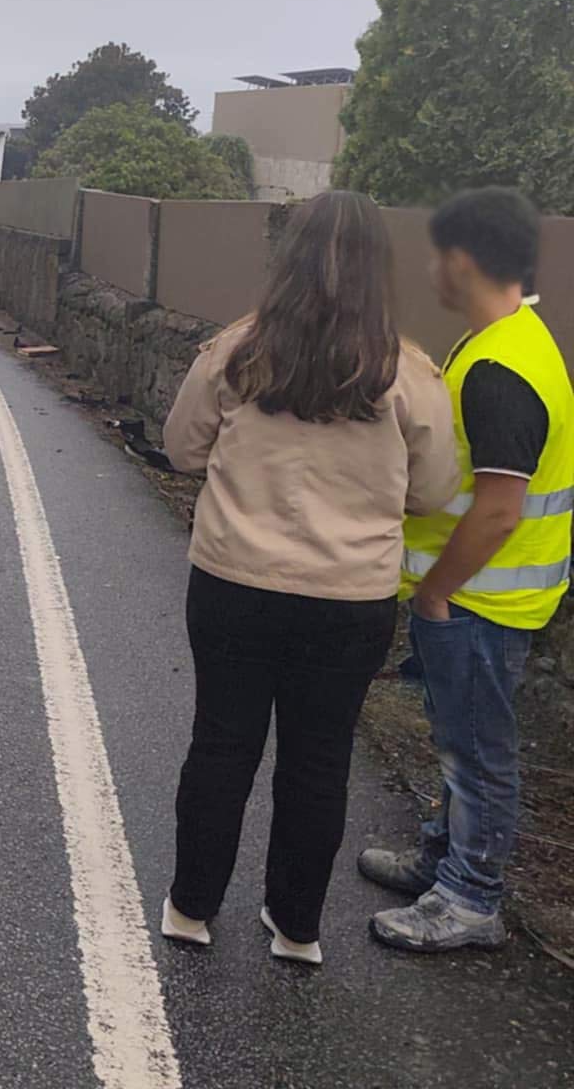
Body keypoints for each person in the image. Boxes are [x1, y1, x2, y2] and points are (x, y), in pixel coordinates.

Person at [160, 190, 458, 965]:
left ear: (286, 257)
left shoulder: (238, 350)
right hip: (348, 600)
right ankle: (296, 928)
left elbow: (182, 449)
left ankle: (191, 908)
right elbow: (432, 491)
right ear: (376, 269)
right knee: (319, 759)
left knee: (222, 744)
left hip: (233, 582)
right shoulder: (407, 371)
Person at [363, 187, 571, 953]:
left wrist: (439, 593)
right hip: (481, 599)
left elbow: (499, 510)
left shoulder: (501, 369)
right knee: (456, 739)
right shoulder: (504, 342)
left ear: (461, 259)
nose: (431, 270)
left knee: (477, 750)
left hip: (481, 604)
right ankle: (440, 859)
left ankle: (471, 896)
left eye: (436, 254)